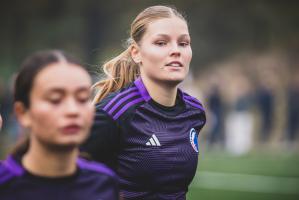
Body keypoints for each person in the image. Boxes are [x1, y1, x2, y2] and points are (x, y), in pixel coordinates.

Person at [82, 5, 206, 199]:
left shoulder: (195, 111)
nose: (176, 51)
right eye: (161, 43)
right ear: (136, 53)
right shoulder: (114, 112)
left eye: (183, 43)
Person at [0, 50, 119, 200]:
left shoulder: (104, 183)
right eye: (55, 99)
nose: (73, 110)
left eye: (82, 99)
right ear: (23, 113)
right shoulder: (5, 184)